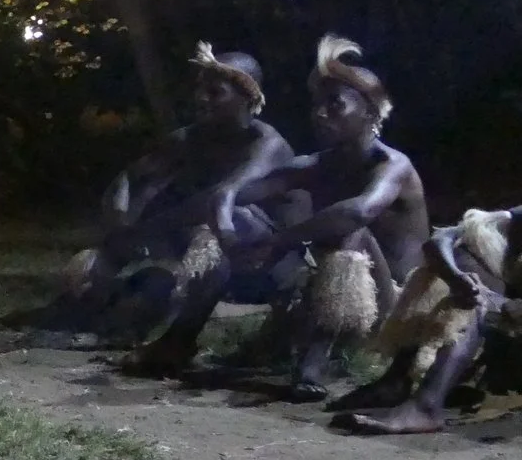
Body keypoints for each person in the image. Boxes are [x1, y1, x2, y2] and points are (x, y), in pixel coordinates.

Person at [129, 35, 429, 399]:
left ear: (370, 112)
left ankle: (313, 367)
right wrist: (226, 231)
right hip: (331, 298)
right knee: (243, 218)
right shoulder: (314, 165)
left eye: (335, 105)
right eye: (317, 105)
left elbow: (356, 212)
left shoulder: (393, 165)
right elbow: (229, 194)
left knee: (349, 233)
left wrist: (277, 241)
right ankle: (179, 340)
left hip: (392, 308)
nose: (320, 114)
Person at [8, 45, 295, 345]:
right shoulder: (191, 138)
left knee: (229, 220)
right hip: (198, 247)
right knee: (131, 235)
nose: (200, 98)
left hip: (263, 265)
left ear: (248, 98)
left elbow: (217, 199)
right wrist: (120, 225)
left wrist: (145, 231)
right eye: (200, 90)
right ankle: (84, 307)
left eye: (215, 92)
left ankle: (159, 330)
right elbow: (128, 179)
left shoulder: (268, 145)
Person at [330, 141, 522, 435]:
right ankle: (397, 380)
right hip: (510, 350)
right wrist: (456, 277)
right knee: (456, 269)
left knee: (474, 296)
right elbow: (441, 240)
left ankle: (426, 407)